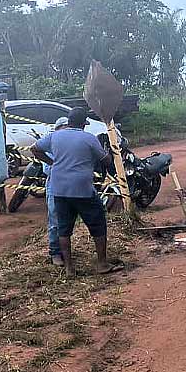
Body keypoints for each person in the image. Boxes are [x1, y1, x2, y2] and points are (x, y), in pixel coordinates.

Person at [31, 107, 119, 275]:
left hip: (59, 189)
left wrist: (52, 162)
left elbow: (35, 149)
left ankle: (69, 268)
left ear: (68, 121)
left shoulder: (54, 136)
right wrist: (110, 154)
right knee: (98, 223)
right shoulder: (89, 138)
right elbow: (105, 160)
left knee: (64, 228)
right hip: (82, 189)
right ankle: (102, 264)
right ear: (83, 123)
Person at [43, 116, 69, 263]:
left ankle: (66, 251)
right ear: (59, 128)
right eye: (65, 128)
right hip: (55, 185)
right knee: (55, 220)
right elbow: (47, 169)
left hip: (71, 185)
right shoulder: (51, 143)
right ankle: (55, 252)